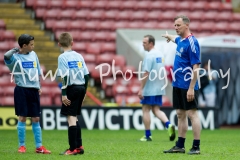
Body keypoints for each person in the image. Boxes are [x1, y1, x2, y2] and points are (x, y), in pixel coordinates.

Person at [4, 34, 51, 154]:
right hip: (22, 90)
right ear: (24, 45)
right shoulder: (15, 58)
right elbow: (6, 56)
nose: (33, 47)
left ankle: (39, 147)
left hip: (33, 90)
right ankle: (22, 146)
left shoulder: (33, 55)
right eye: (31, 45)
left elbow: (37, 71)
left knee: (36, 118)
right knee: (22, 117)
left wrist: (38, 86)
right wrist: (16, 49)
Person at [162, 15, 201, 155]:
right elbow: (175, 38)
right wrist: (169, 36)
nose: (175, 27)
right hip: (177, 83)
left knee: (192, 114)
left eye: (178, 25)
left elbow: (196, 68)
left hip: (188, 85)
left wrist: (191, 87)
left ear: (186, 25)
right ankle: (180, 145)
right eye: (175, 25)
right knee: (180, 114)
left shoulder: (192, 43)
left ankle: (196, 146)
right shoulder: (180, 40)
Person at [138, 35, 176, 142]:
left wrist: (141, 89)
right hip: (159, 86)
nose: (143, 44)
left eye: (145, 42)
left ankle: (147, 135)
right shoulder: (160, 54)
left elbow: (146, 73)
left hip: (150, 87)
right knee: (156, 110)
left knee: (145, 109)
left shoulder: (149, 56)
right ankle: (168, 125)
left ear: (151, 43)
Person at [57, 32, 89, 155]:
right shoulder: (79, 56)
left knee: (71, 118)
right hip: (81, 87)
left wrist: (64, 93)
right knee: (74, 117)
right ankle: (79, 146)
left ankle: (72, 149)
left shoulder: (62, 57)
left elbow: (64, 76)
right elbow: (86, 75)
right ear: (72, 43)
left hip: (71, 88)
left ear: (59, 44)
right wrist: (85, 90)